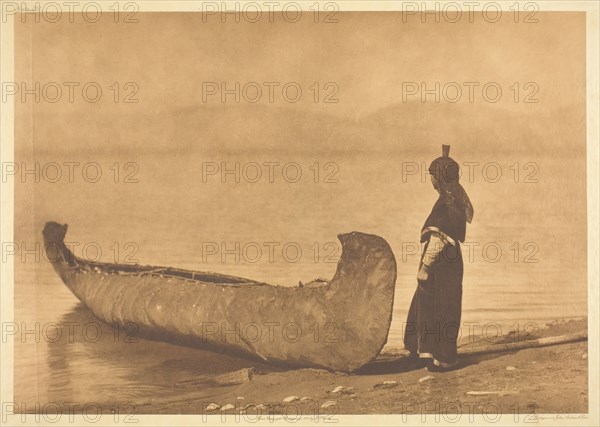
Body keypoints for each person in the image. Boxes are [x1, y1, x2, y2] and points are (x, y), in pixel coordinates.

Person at [404, 145, 474, 372]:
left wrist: (424, 267)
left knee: (436, 306)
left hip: (440, 262)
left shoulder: (447, 203)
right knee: (443, 306)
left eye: (432, 175)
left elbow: (438, 238)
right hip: (451, 263)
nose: (430, 179)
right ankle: (436, 356)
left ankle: (437, 359)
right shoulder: (455, 198)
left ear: (439, 178)